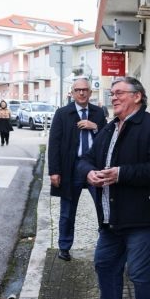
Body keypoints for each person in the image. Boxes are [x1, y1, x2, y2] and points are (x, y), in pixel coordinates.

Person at [81, 77, 150, 299]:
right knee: (105, 265)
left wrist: (120, 174)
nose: (114, 98)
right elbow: (85, 159)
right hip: (111, 218)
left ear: (138, 96)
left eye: (120, 92)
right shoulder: (109, 129)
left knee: (140, 272)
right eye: (112, 94)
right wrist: (89, 173)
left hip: (143, 218)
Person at [48, 78, 107, 261]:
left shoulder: (98, 113)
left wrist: (95, 127)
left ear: (90, 93)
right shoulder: (63, 113)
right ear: (72, 93)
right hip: (70, 168)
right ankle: (64, 247)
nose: (82, 93)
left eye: (85, 90)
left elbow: (108, 138)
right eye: (78, 90)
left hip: (93, 167)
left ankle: (106, 245)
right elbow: (54, 144)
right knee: (67, 211)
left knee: (103, 207)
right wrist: (54, 171)